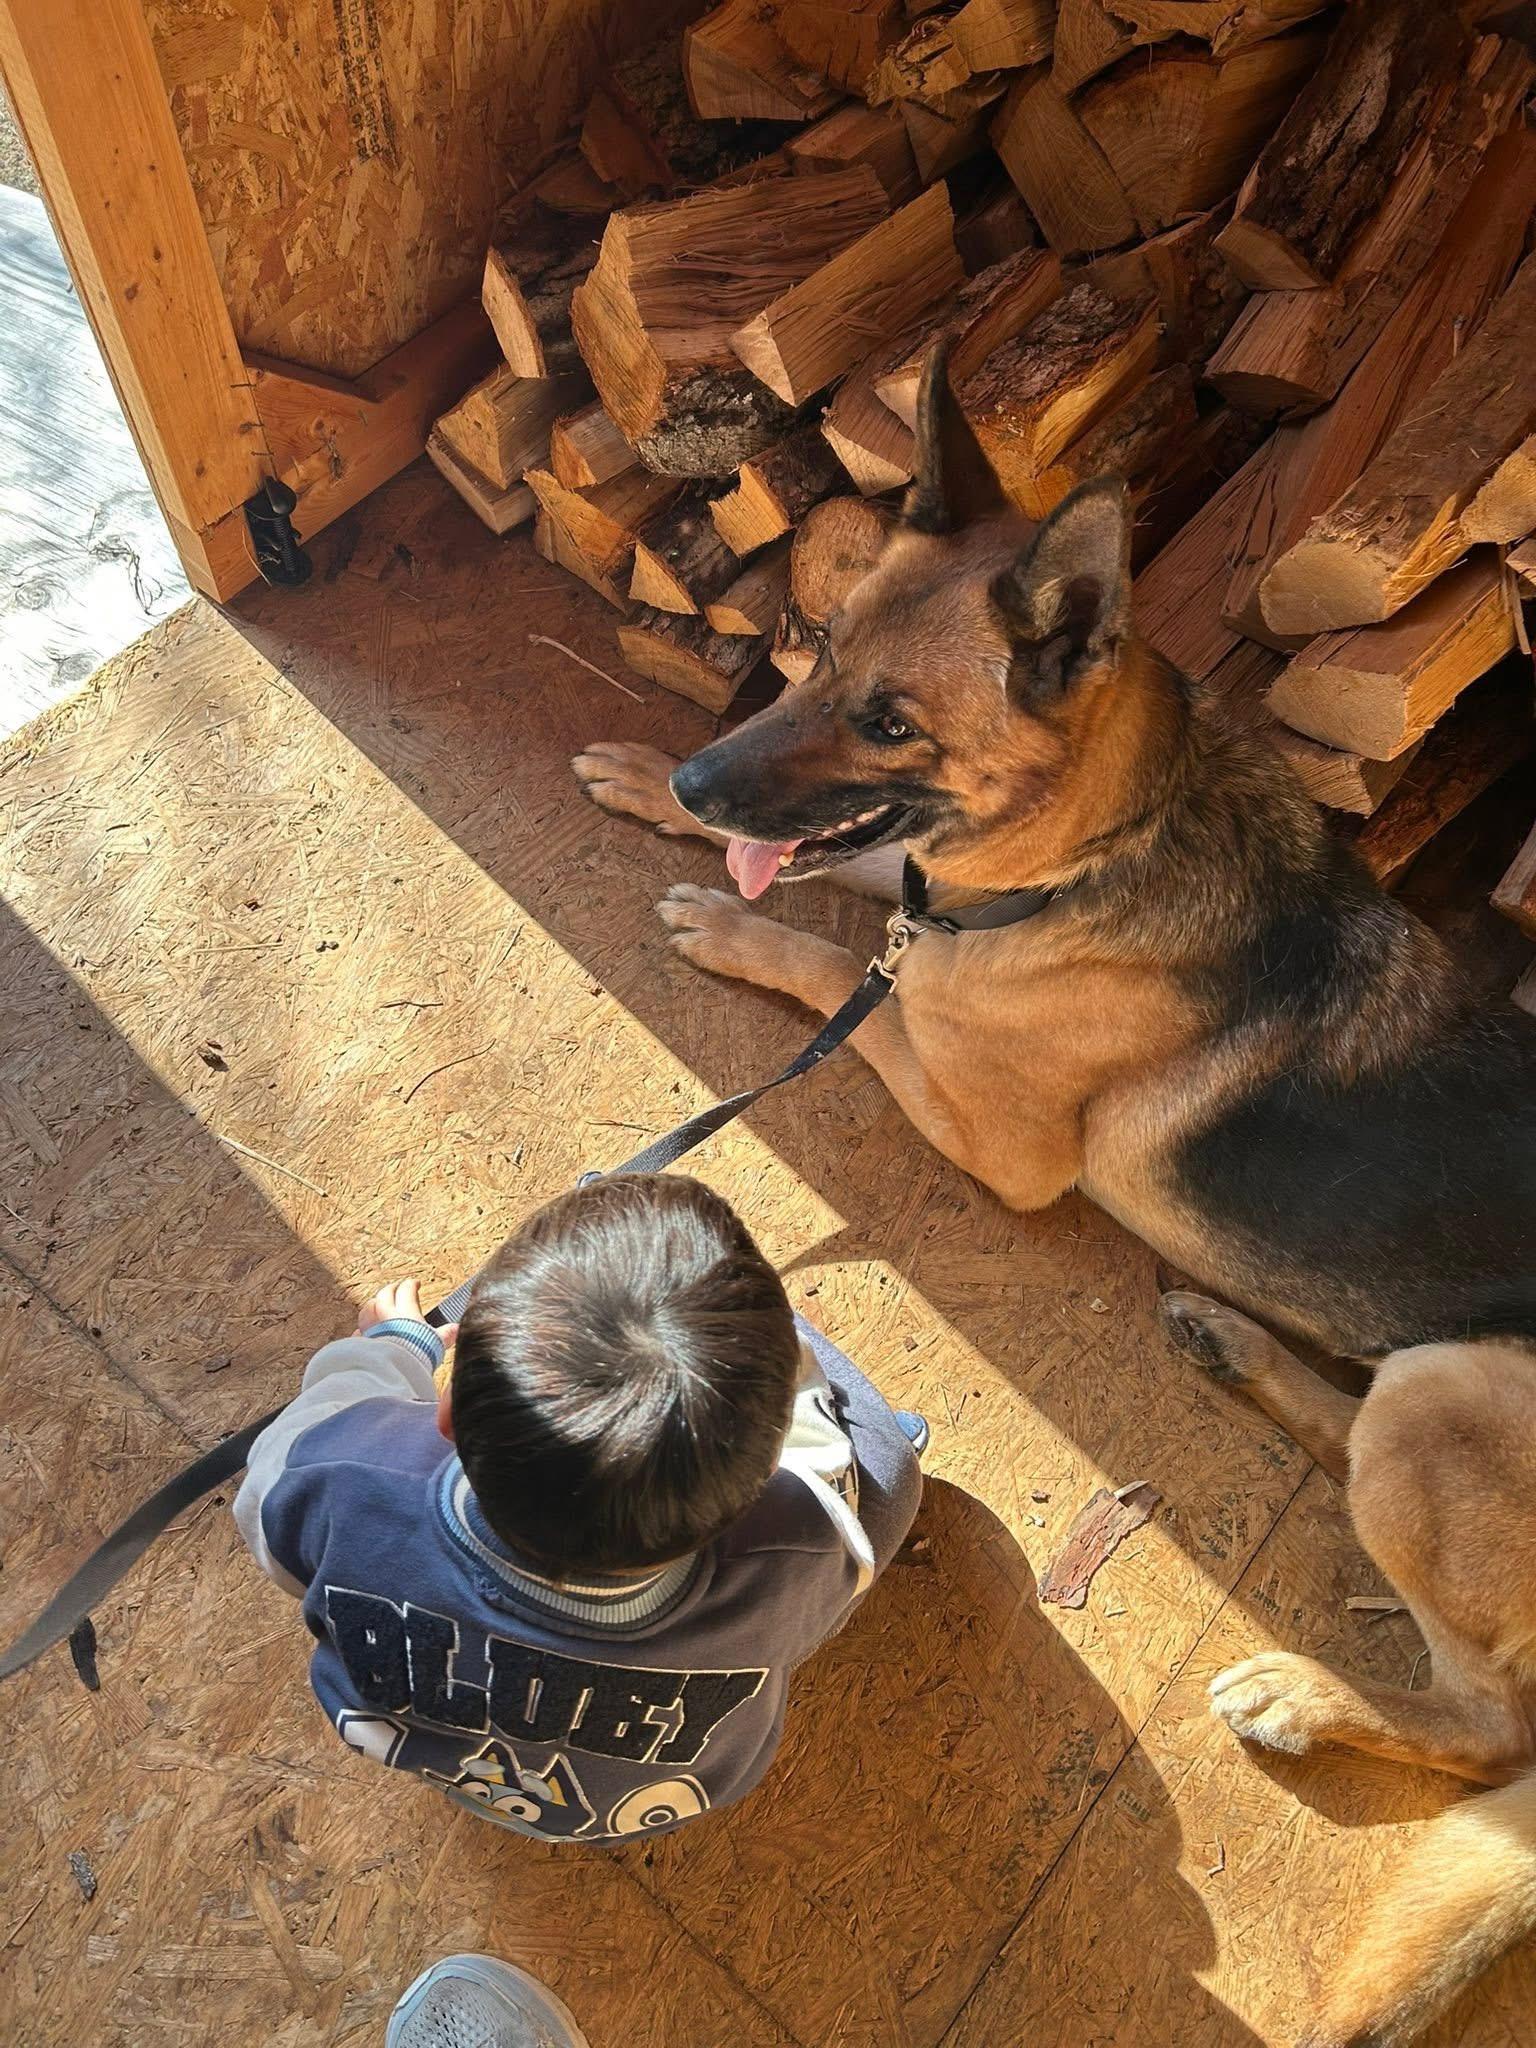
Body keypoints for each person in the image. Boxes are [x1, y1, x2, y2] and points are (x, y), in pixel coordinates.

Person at [234, 1173, 925, 1846]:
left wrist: (396, 1346)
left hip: (451, 1765)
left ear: (447, 1414)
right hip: (627, 1805)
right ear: (757, 1488)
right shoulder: (793, 1546)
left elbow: (294, 1455)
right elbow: (819, 1464)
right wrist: (777, 1356)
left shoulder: (347, 1471)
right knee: (887, 1472)